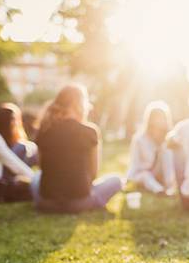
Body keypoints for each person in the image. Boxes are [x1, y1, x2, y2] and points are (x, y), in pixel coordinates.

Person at [31, 84, 122, 213]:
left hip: (46, 203)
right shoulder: (90, 131)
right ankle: (94, 200)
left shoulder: (44, 128)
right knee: (117, 180)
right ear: (80, 104)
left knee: (35, 177)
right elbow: (93, 173)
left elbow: (41, 167)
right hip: (79, 203)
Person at [127, 101, 175, 194]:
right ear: (150, 119)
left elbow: (170, 164)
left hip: (162, 175)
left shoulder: (169, 138)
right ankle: (159, 191)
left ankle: (170, 187)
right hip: (143, 174)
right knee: (146, 176)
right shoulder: (139, 139)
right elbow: (135, 164)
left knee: (166, 153)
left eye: (163, 117)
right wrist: (129, 179)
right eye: (157, 117)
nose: (161, 120)